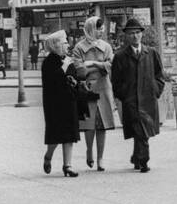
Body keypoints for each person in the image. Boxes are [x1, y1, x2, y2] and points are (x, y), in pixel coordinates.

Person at [110, 18, 165, 172]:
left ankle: (136, 157)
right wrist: (124, 96)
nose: (135, 36)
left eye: (137, 33)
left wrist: (156, 91)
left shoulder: (151, 53)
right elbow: (115, 81)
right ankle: (144, 161)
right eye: (131, 33)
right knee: (140, 130)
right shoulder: (120, 56)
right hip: (131, 100)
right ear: (126, 36)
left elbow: (159, 75)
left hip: (148, 99)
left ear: (142, 34)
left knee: (143, 131)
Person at [71, 16, 115, 170]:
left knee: (102, 125)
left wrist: (93, 63)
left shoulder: (106, 46)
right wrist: (100, 67)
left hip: (103, 88)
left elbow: (111, 65)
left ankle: (100, 158)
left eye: (102, 28)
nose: (100, 31)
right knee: (89, 124)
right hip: (87, 89)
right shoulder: (78, 48)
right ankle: (89, 151)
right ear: (90, 29)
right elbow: (79, 70)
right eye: (98, 28)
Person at [40, 31, 80, 177]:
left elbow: (74, 77)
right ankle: (48, 156)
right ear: (55, 45)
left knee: (69, 134)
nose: (67, 45)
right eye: (64, 43)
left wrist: (75, 81)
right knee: (56, 136)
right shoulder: (48, 62)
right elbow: (52, 80)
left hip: (68, 100)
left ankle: (67, 166)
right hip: (54, 104)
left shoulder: (68, 60)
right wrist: (64, 67)